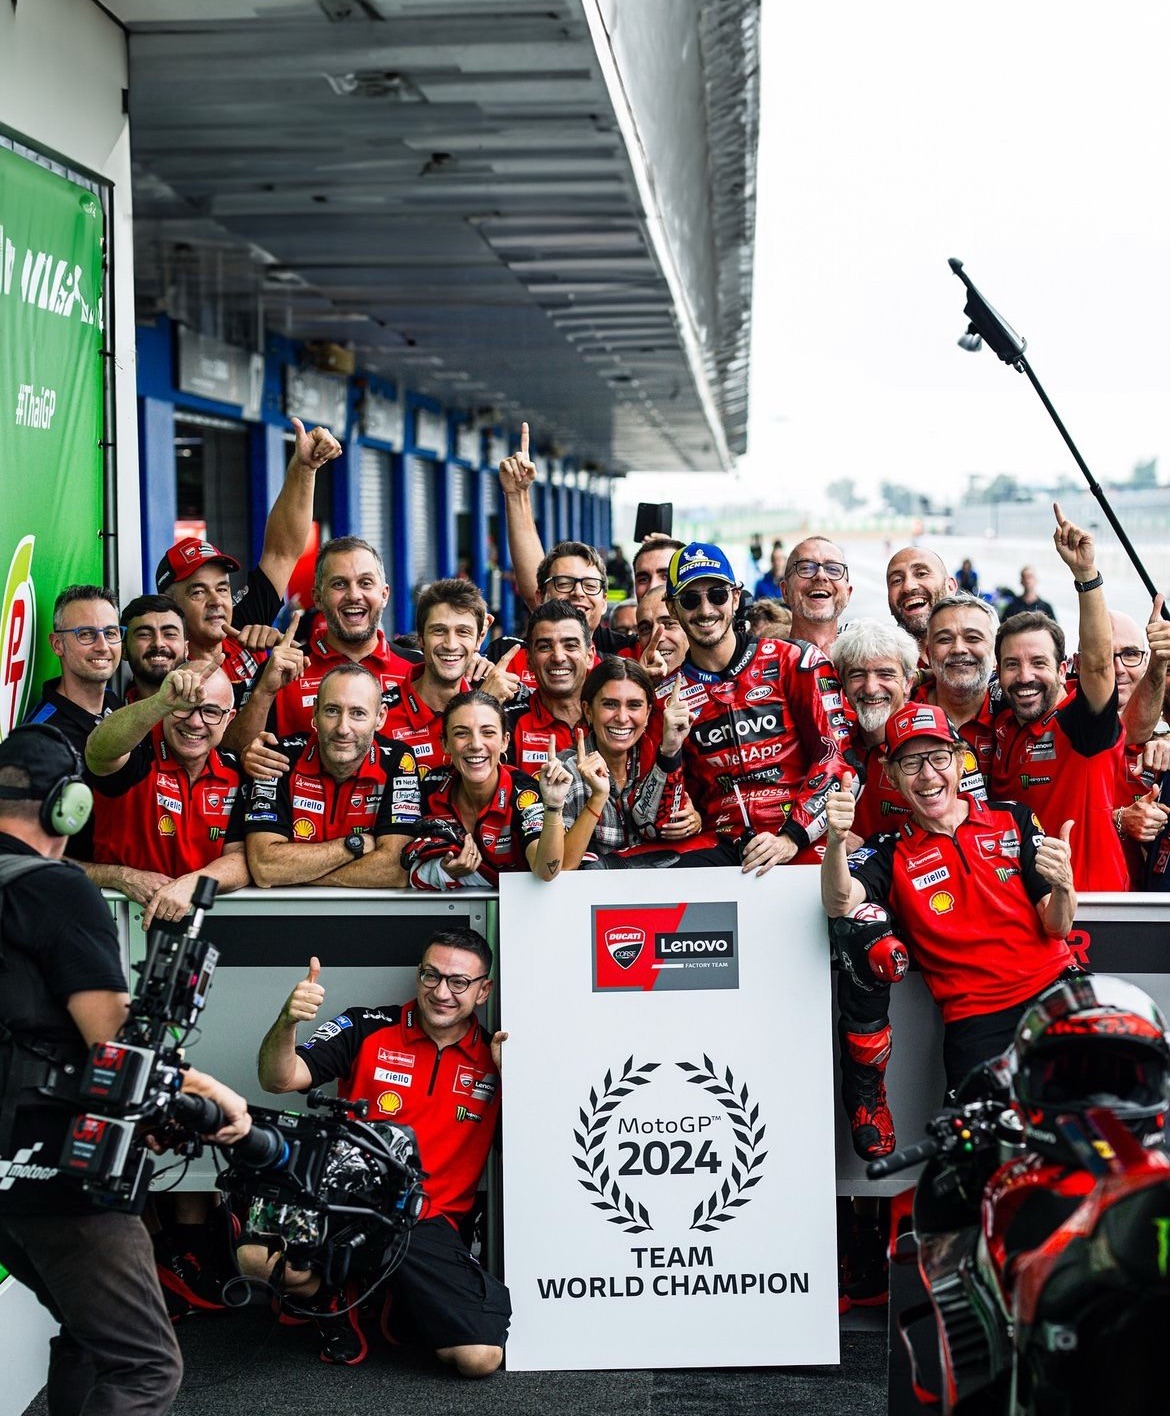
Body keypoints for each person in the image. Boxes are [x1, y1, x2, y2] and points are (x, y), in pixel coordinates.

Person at [0, 723, 250, 1414]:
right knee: (143, 1367)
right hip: (54, 1167)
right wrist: (208, 1093)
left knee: (90, 1332)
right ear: (68, 808)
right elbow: (115, 1044)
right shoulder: (55, 890)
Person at [248, 929, 508, 1372]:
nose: (442, 992)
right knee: (255, 1257)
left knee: (478, 1358)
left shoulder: (498, 1057)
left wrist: (518, 1083)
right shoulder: (366, 1025)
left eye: (459, 982)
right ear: (418, 975)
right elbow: (279, 1078)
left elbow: (544, 1142)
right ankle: (333, 1298)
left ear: (483, 990)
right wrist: (287, 1021)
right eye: (431, 976)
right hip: (343, 1204)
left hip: (426, 1221)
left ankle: (387, 1294)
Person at [822, 701, 1079, 1096]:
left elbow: (1058, 926)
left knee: (1103, 1126)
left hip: (1055, 992)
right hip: (977, 1020)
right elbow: (840, 902)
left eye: (939, 758)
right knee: (974, 1150)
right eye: (911, 764)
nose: (928, 775)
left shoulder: (1014, 817)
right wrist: (837, 841)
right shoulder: (889, 852)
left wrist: (1063, 885)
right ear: (891, 775)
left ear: (960, 763)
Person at [666, 542, 850, 875]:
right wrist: (669, 751)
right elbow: (659, 813)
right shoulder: (667, 695)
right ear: (673, 609)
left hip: (799, 834)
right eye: (691, 600)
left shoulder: (795, 661)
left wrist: (792, 836)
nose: (706, 610)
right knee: (612, 870)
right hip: (717, 842)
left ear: (735, 598)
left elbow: (838, 760)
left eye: (717, 595)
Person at [990, 505, 1127, 891]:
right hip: (1027, 914)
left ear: (1064, 668)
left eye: (1038, 662)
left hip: (1097, 910)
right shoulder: (999, 725)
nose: (1025, 676)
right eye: (1012, 665)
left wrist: (1086, 575)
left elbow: (1100, 666)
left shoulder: (1081, 723)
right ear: (998, 672)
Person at [154, 417, 342, 692]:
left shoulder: (242, 628)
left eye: (222, 588)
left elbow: (282, 552)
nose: (216, 601)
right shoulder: (164, 666)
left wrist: (305, 468)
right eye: (197, 592)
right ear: (169, 605)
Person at [84, 661, 250, 926]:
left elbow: (240, 859)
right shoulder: (139, 750)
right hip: (115, 924)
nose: (195, 722)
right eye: (183, 707)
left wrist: (192, 884)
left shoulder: (234, 770)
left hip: (201, 927)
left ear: (228, 719)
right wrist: (159, 703)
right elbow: (98, 751)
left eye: (210, 711)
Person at [243, 664, 420, 888]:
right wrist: (352, 846)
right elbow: (265, 868)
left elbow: (395, 869)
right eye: (332, 710)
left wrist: (298, 874)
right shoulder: (278, 757)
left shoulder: (397, 760)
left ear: (380, 717)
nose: (343, 728)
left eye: (358, 713)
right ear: (315, 712)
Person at [404, 689, 569, 887]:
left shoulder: (524, 792)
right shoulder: (431, 784)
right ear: (445, 743)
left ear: (504, 742)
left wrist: (554, 806)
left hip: (523, 912)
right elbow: (403, 861)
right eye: (461, 733)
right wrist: (444, 869)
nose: (475, 744)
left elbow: (545, 871)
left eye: (488, 732)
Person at [558, 658, 704, 867]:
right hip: (592, 896)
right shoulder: (566, 770)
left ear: (647, 714)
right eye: (610, 704)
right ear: (588, 711)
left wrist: (695, 822)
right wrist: (597, 798)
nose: (622, 717)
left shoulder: (662, 755)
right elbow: (560, 866)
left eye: (634, 705)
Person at [269, 536, 420, 737]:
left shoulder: (421, 670)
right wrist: (263, 692)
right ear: (317, 598)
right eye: (339, 584)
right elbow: (235, 751)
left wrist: (473, 671)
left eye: (365, 583)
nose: (354, 595)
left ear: (384, 595)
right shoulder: (279, 674)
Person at [829, 619, 919, 840]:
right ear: (843, 683)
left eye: (885, 674)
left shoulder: (932, 742)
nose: (870, 688)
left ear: (908, 682)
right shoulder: (832, 742)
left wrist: (871, 855)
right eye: (857, 675)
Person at [915, 593, 1000, 796]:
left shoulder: (1016, 712)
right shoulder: (901, 710)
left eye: (973, 638)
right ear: (928, 653)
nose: (959, 649)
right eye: (945, 639)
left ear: (997, 652)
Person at [23, 585, 122, 755]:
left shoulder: (113, 701)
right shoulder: (40, 739)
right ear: (57, 645)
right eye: (86, 634)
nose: (103, 646)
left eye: (110, 633)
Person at [505, 602, 591, 773]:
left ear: (590, 655)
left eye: (570, 645)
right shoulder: (507, 722)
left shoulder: (611, 716)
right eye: (545, 647)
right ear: (529, 660)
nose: (558, 657)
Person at [781, 536, 853, 651]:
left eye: (833, 569)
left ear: (848, 593)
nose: (821, 575)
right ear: (785, 591)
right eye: (806, 568)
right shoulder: (764, 662)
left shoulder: (866, 663)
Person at [884, 546, 956, 658]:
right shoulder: (882, 662)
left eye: (921, 574)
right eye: (897, 580)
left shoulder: (985, 652)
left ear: (950, 587)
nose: (908, 586)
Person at [118, 594, 188, 702]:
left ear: (186, 648)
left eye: (169, 634)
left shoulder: (211, 706)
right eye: (144, 634)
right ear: (123, 650)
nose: (158, 643)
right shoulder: (111, 711)